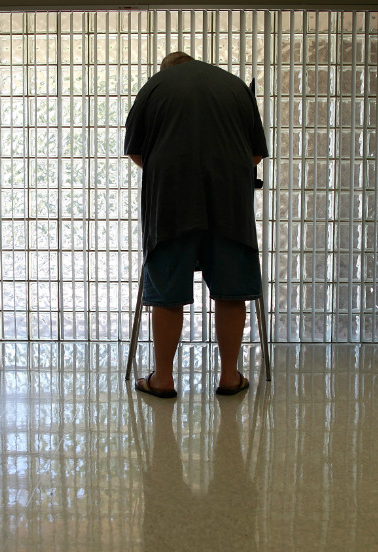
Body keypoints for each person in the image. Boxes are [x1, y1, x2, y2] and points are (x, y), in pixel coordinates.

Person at [125, 51, 268, 398]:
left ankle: (163, 379)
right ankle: (230, 377)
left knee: (168, 292)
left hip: (173, 203)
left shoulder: (154, 87)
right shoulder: (236, 88)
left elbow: (136, 151)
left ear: (167, 71)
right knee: (230, 290)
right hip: (229, 202)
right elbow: (255, 154)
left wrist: (172, 170)